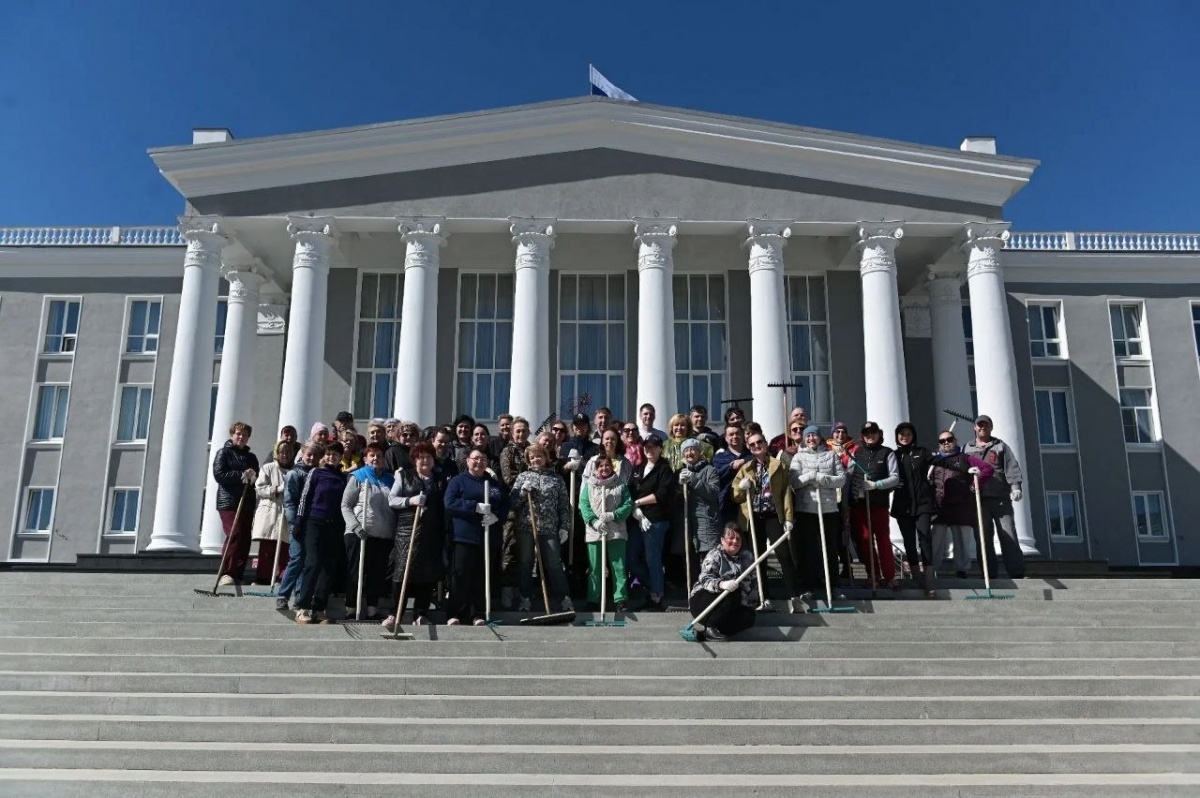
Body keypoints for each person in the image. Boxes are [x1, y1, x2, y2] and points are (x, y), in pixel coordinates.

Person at [384, 442, 448, 628]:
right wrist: (409, 500)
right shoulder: (404, 476)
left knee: (427, 574)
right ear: (415, 460)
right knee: (401, 573)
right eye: (421, 458)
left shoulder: (440, 480)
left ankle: (421, 613)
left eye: (428, 457)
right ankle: (395, 613)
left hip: (431, 533)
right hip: (407, 531)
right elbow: (392, 500)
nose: (425, 461)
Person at [443, 449, 510, 625]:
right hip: (464, 537)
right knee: (460, 576)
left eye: (483, 459)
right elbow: (449, 502)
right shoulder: (459, 481)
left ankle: (476, 613)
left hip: (487, 538)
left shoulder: (493, 484)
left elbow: (505, 504)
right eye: (475, 459)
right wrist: (474, 506)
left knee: (481, 577)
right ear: (467, 461)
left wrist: (496, 516)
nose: (479, 462)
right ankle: (454, 613)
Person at [732, 429, 795, 610]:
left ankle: (793, 595)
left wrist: (789, 517)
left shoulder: (778, 465)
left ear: (765, 444)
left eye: (759, 442)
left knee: (783, 553)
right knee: (758, 558)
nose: (756, 446)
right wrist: (742, 488)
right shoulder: (746, 468)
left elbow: (786, 493)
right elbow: (735, 495)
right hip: (753, 517)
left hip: (773, 515)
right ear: (749, 448)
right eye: (752, 444)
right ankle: (764, 597)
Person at [788, 425, 846, 609]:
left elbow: (842, 479)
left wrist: (822, 479)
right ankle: (808, 586)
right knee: (807, 550)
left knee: (830, 548)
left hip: (828, 508)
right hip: (806, 509)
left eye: (814, 435)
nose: (811, 438)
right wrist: (810, 476)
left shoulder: (831, 455)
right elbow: (794, 482)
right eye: (808, 436)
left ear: (820, 438)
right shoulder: (798, 457)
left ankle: (834, 585)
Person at [511, 444, 574, 613]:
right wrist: (523, 492)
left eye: (539, 456)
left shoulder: (556, 479)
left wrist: (564, 527)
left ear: (546, 457)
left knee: (554, 564)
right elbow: (513, 503)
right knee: (525, 563)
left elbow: (563, 506)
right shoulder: (523, 477)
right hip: (527, 527)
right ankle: (525, 598)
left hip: (550, 528)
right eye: (532, 458)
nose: (535, 460)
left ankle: (564, 599)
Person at [964, 415, 1027, 580]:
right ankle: (988, 574)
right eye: (980, 425)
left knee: (1009, 535)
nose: (982, 428)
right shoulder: (967, 448)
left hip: (1000, 499)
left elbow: (1011, 466)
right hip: (978, 500)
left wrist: (1015, 486)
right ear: (974, 427)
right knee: (983, 538)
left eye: (986, 425)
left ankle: (1016, 572)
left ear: (991, 427)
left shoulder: (1000, 446)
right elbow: (961, 471)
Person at [293, 441, 348, 624]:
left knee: (328, 566)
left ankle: (320, 607)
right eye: (328, 454)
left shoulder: (343, 478)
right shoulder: (315, 473)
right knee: (313, 562)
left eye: (335, 454)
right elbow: (305, 497)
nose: (331, 457)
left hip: (334, 525)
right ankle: (303, 606)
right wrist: (299, 522)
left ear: (341, 457)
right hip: (314, 521)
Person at [341, 442, 396, 619]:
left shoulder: (391, 480)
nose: (375, 458)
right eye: (372, 455)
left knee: (377, 572)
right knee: (356, 570)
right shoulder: (357, 476)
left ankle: (373, 607)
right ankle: (351, 607)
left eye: (379, 455)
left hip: (382, 533)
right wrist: (356, 526)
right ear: (365, 459)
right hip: (359, 532)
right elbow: (345, 505)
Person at [930, 430, 994, 580]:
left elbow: (987, 469)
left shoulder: (965, 458)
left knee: (962, 541)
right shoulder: (935, 461)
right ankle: (931, 569)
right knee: (936, 541)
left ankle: (962, 570)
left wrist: (974, 484)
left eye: (949, 439)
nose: (946, 443)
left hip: (961, 505)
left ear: (955, 440)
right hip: (940, 506)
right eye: (942, 441)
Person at [848, 421, 901, 589]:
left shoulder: (887, 453)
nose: (870, 435)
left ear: (879, 434)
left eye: (873, 432)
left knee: (883, 540)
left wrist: (876, 485)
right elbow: (849, 474)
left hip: (878, 504)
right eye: (866, 433)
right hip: (860, 504)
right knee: (864, 541)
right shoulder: (858, 452)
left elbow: (894, 477)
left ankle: (890, 576)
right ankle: (873, 575)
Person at [579, 453, 634, 611]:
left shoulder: (620, 485)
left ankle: (620, 599)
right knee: (595, 568)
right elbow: (584, 505)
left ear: (612, 467)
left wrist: (613, 515)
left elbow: (628, 504)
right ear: (596, 468)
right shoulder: (589, 485)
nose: (604, 468)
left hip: (616, 531)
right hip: (595, 532)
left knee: (618, 566)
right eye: (601, 466)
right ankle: (593, 599)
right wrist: (594, 521)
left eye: (607, 465)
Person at [626, 435, 675, 610]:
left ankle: (656, 594)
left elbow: (662, 494)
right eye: (647, 447)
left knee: (653, 558)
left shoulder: (664, 469)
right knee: (630, 558)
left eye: (653, 447)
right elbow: (630, 489)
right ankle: (653, 583)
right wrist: (634, 509)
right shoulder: (638, 468)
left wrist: (638, 503)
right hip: (637, 519)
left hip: (656, 520)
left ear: (660, 449)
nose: (649, 450)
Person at [688, 524, 759, 642]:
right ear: (722, 540)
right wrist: (721, 584)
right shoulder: (714, 555)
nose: (735, 541)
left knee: (749, 617)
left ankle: (705, 634)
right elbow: (705, 579)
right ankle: (710, 627)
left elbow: (752, 585)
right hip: (704, 603)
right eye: (731, 538)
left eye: (738, 538)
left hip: (729, 607)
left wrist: (751, 605)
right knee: (733, 591)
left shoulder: (747, 558)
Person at [891, 422, 937, 594]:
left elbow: (942, 461)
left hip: (922, 503)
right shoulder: (894, 455)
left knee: (924, 537)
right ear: (897, 436)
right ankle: (916, 576)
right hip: (903, 505)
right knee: (909, 541)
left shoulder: (922, 452)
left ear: (913, 436)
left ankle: (929, 578)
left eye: (908, 433)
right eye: (901, 434)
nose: (904, 436)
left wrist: (967, 467)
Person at [212, 421, 259, 586]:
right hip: (229, 502)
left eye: (244, 435)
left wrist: (252, 477)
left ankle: (238, 573)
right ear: (232, 435)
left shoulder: (251, 457)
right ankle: (227, 572)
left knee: (245, 537)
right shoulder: (223, 453)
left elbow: (256, 478)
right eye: (238, 434)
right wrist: (240, 475)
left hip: (246, 502)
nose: (241, 437)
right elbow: (219, 475)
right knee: (235, 533)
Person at [277, 441, 318, 611]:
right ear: (302, 454)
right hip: (298, 523)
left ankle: (300, 594)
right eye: (309, 454)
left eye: (315, 455)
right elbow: (289, 501)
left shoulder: (317, 473)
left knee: (307, 559)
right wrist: (294, 523)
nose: (312, 458)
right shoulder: (295, 474)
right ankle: (283, 594)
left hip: (313, 523)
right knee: (297, 558)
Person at [251, 440, 295, 586]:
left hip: (286, 512)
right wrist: (276, 489)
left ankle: (281, 577)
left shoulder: (294, 471)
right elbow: (260, 488)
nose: (285, 455)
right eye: (282, 452)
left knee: (284, 547)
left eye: (288, 452)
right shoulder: (268, 468)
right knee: (267, 547)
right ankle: (262, 577)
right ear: (277, 453)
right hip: (270, 511)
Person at [678, 438, 722, 559]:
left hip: (707, 523)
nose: (689, 453)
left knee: (709, 560)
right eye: (686, 450)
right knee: (691, 564)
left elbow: (713, 492)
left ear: (699, 453)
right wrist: (679, 486)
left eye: (693, 450)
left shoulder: (710, 470)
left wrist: (694, 479)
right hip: (689, 526)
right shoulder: (681, 471)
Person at [713, 422, 750, 522]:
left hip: (749, 503)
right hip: (727, 504)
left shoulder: (751, 455)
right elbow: (716, 475)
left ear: (743, 435)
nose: (735, 436)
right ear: (725, 438)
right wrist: (731, 466)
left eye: (738, 433)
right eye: (731, 434)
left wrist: (745, 461)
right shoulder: (719, 458)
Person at [499, 416, 532, 488]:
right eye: (518, 431)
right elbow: (508, 479)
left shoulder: (533, 450)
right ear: (512, 433)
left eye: (524, 431)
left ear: (528, 433)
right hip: (517, 493)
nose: (521, 434)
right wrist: (530, 480)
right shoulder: (508, 451)